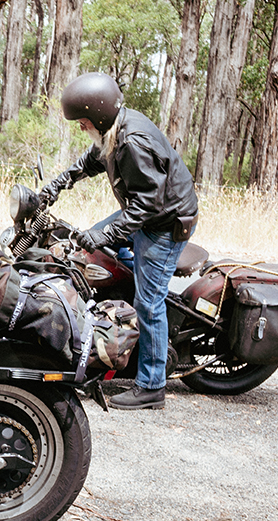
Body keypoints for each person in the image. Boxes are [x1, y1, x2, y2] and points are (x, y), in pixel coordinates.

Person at [39, 71, 198, 410]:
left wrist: (103, 235)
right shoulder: (113, 129)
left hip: (164, 223)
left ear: (97, 115)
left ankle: (152, 387)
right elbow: (92, 160)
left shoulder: (132, 142)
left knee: (149, 302)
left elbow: (147, 206)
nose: (81, 127)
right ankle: (121, 302)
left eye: (82, 121)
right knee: (91, 253)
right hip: (148, 211)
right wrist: (57, 185)